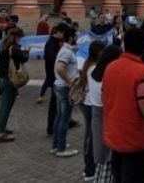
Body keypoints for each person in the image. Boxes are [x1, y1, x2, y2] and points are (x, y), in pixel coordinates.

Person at [103, 26, 144, 182]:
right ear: (143, 46)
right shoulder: (141, 72)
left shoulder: (110, 67)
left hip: (114, 135)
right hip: (135, 140)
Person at [88, 45, 123, 180]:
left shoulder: (92, 70)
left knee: (102, 158)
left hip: (96, 114)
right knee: (107, 159)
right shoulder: (107, 78)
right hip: (106, 116)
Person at [0, 27, 29, 143]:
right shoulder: (14, 49)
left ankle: (1, 127)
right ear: (17, 37)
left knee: (4, 105)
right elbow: (24, 58)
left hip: (3, 78)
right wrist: (27, 51)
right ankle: (0, 133)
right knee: (6, 106)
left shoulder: (3, 46)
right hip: (10, 79)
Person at [79, 41, 105, 180]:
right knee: (91, 137)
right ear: (98, 52)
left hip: (88, 103)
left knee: (90, 136)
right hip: (90, 104)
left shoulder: (88, 64)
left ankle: (89, 167)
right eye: (102, 51)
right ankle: (89, 169)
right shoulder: (93, 68)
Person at [53, 26, 80, 157]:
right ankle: (61, 149)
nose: (77, 38)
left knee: (59, 116)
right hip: (64, 88)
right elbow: (60, 68)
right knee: (64, 118)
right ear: (71, 38)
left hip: (60, 86)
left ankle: (56, 144)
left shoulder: (66, 50)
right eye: (75, 36)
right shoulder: (66, 52)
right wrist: (70, 82)